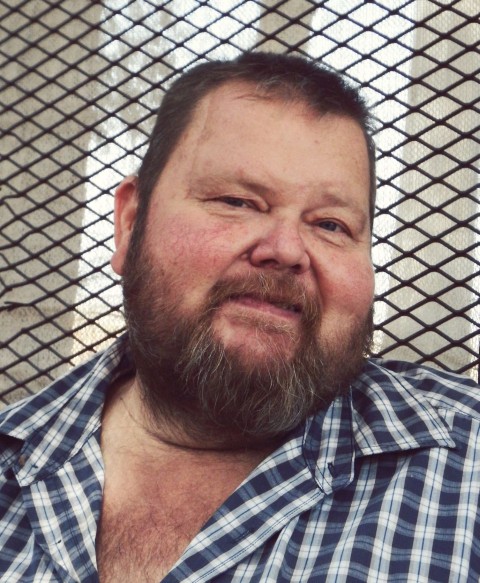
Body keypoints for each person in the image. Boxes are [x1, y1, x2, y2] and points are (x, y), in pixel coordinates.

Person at [0, 51, 478, 583]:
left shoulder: (468, 463)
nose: (286, 250)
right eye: (237, 201)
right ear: (130, 223)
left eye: (331, 225)